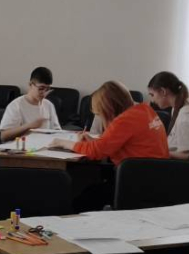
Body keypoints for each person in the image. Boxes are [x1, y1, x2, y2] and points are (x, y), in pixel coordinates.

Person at [57, 80, 169, 210]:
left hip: (137, 182)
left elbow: (96, 152)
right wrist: (93, 142)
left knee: (82, 201)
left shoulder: (125, 120)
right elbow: (116, 143)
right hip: (156, 177)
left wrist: (65, 143)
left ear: (108, 108)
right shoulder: (144, 109)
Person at [146, 71, 189, 159]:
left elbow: (188, 156)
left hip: (179, 165)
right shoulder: (181, 105)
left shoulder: (185, 117)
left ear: (163, 91)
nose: (152, 100)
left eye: (152, 95)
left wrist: (162, 153)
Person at [0, 67, 60, 142]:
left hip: (45, 146)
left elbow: (57, 131)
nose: (44, 93)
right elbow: (4, 136)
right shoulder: (16, 105)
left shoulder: (49, 105)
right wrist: (29, 126)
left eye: (47, 89)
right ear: (30, 84)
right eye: (41, 88)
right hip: (23, 147)